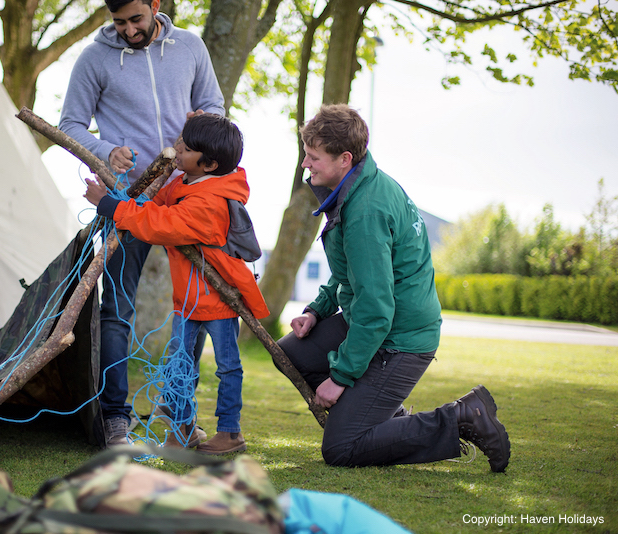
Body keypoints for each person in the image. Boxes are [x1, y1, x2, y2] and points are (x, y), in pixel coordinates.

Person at [277, 104, 511, 472]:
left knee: (341, 449)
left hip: (400, 337)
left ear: (345, 159)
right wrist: (316, 310)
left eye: (313, 157)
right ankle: (387, 417)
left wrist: (340, 378)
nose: (305, 164)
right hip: (375, 321)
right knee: (292, 352)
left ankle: (462, 417)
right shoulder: (358, 184)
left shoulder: (366, 212)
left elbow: (376, 308)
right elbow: (349, 272)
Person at [58, 0, 225, 447]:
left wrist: (203, 122)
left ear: (155, 6)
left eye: (136, 19)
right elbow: (70, 123)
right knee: (116, 313)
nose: (129, 30)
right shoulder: (94, 58)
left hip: (187, 198)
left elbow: (214, 105)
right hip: (128, 200)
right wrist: (106, 148)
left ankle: (179, 416)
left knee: (196, 310)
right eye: (119, 23)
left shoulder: (190, 46)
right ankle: (115, 417)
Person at [84, 113, 270, 454]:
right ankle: (182, 429)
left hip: (218, 301)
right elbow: (154, 204)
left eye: (186, 148)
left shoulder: (211, 202)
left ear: (210, 163)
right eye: (181, 144)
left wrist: (110, 206)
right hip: (187, 300)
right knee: (179, 365)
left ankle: (230, 431)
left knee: (228, 367)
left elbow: (161, 223)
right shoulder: (185, 181)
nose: (177, 151)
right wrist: (127, 199)